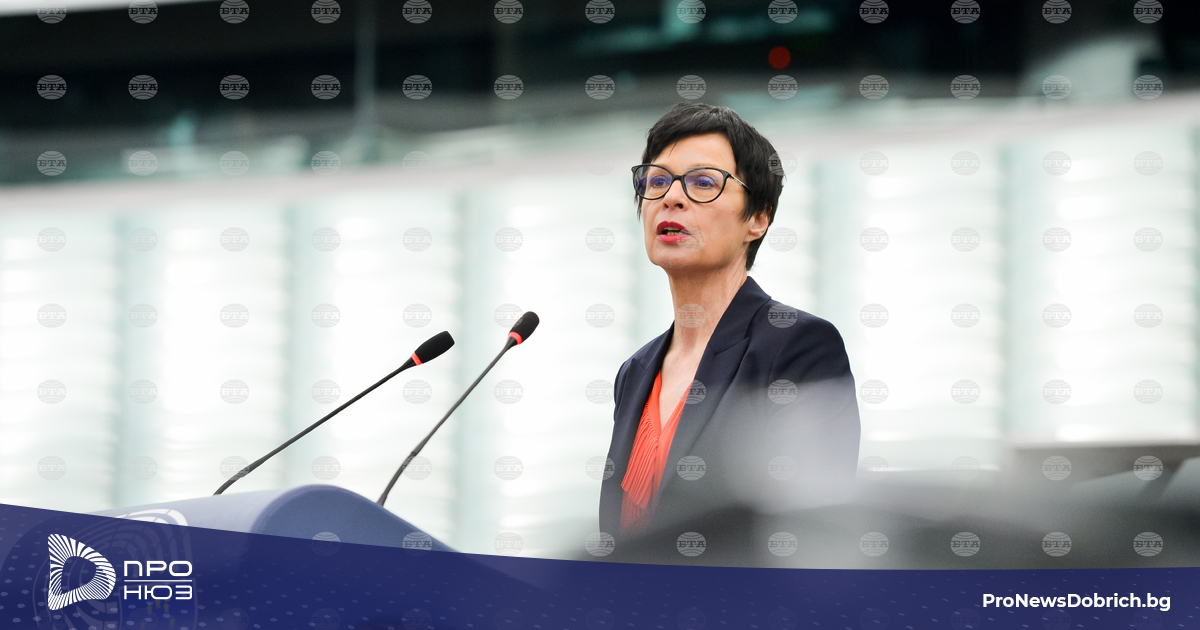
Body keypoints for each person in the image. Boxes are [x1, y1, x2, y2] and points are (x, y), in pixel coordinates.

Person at [598, 103, 861, 561]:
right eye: (657, 181)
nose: (671, 198)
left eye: (702, 182)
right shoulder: (634, 373)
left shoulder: (797, 346)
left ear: (757, 218)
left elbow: (806, 537)